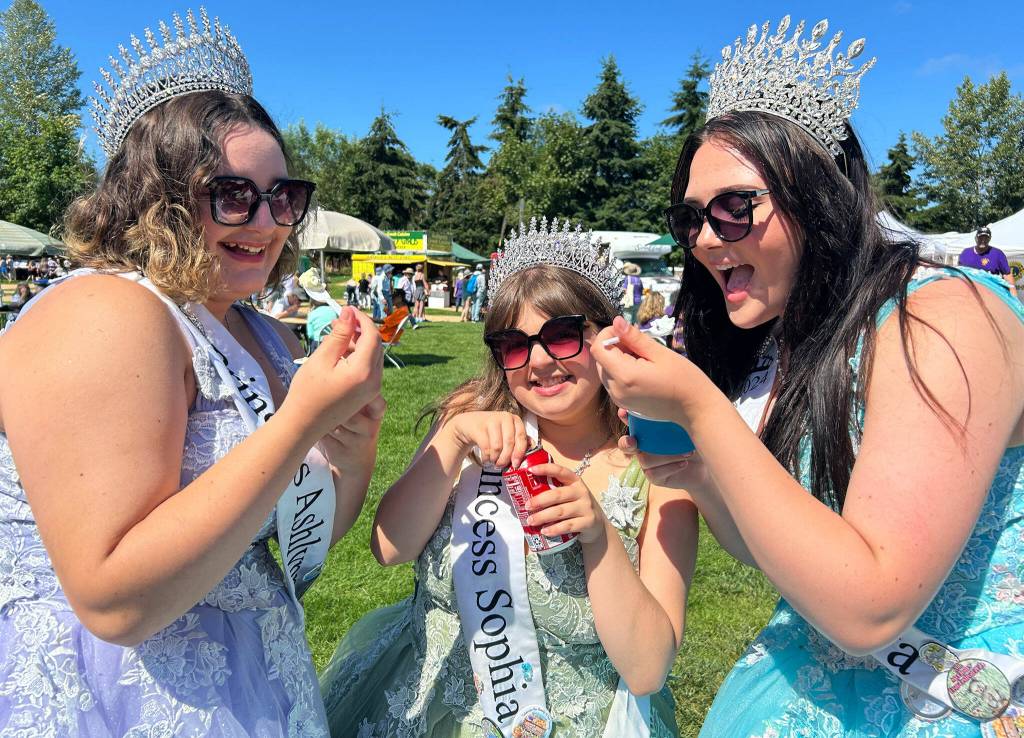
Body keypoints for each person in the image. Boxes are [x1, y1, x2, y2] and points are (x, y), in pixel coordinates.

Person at [592, 15, 1024, 737]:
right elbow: (794, 553)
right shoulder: (804, 339)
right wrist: (698, 473)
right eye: (690, 217)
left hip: (966, 703)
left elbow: (870, 604)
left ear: (818, 196)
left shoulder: (949, 315)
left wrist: (702, 410)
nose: (702, 239)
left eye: (735, 207)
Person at [0, 9, 385, 735]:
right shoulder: (106, 313)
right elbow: (114, 601)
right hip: (112, 696)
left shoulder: (264, 336)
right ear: (157, 197)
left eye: (285, 196)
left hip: (256, 683)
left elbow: (285, 550)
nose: (269, 221)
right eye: (233, 194)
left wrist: (350, 447)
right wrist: (302, 419)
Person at [320, 218, 697, 738]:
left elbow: (648, 668)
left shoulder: (657, 468)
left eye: (563, 335)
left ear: (608, 335)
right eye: (514, 345)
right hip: (429, 705)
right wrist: (451, 442)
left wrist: (598, 534)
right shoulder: (469, 419)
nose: (539, 361)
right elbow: (389, 548)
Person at [958, 226, 1018, 298]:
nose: (983, 240)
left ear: (990, 239)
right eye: (981, 237)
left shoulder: (997, 254)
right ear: (976, 238)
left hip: (990, 295)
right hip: (968, 293)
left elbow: (1007, 274)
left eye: (986, 238)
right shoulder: (966, 253)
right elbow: (959, 273)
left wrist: (1014, 297)